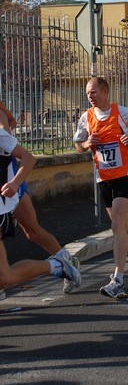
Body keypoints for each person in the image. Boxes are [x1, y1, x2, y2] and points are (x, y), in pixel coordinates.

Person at [73, 76, 128, 298]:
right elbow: (77, 145)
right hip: (103, 176)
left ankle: (118, 279)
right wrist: (85, 144)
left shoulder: (122, 112)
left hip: (124, 173)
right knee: (122, 225)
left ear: (105, 91)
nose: (89, 96)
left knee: (116, 225)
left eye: (93, 92)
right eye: (87, 93)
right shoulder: (86, 117)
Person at [0, 101, 80, 300]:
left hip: (8, 181)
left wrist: (6, 138)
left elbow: (10, 123)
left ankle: (65, 262)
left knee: (33, 231)